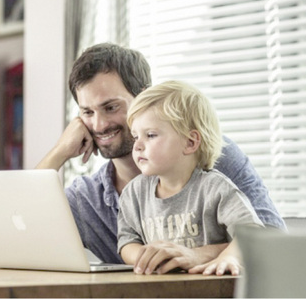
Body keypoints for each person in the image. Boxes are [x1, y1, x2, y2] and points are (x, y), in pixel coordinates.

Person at [36, 43, 285, 270]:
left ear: (144, 98)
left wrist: (198, 254)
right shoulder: (86, 200)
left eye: (111, 107)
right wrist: (60, 151)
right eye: (87, 112)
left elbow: (272, 239)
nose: (99, 125)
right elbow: (18, 231)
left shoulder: (214, 156)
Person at [118, 81, 264, 276]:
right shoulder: (134, 193)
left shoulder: (214, 188)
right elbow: (127, 241)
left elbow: (253, 233)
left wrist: (229, 257)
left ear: (190, 142)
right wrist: (151, 258)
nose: (137, 146)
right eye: (136, 137)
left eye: (150, 135)